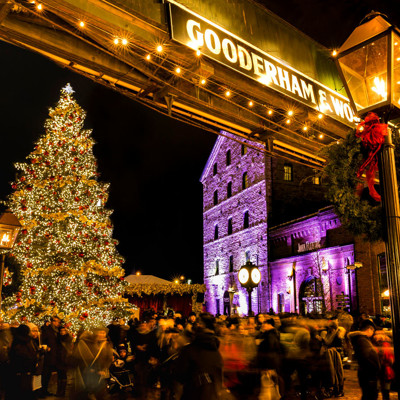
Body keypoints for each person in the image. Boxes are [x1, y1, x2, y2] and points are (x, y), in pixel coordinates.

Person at [175, 312, 223, 400]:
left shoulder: (189, 350)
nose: (195, 325)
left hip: (193, 394)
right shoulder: (216, 349)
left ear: (202, 325)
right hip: (212, 395)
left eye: (198, 322)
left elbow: (179, 375)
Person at [349, 319, 380, 400]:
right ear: (369, 329)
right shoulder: (362, 340)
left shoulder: (362, 339)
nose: (373, 333)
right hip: (368, 374)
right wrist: (376, 368)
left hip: (367, 373)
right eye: (373, 331)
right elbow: (367, 356)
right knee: (369, 396)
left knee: (369, 395)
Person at [8, 324, 39, 400]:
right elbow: (30, 356)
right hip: (25, 372)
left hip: (16, 372)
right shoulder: (27, 342)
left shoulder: (16, 341)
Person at [40, 316, 61, 397]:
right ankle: (42, 391)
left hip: (53, 355)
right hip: (47, 355)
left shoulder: (57, 331)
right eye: (55, 321)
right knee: (45, 374)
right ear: (52, 321)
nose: (57, 323)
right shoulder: (47, 329)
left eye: (58, 322)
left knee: (48, 374)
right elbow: (43, 340)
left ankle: (45, 390)